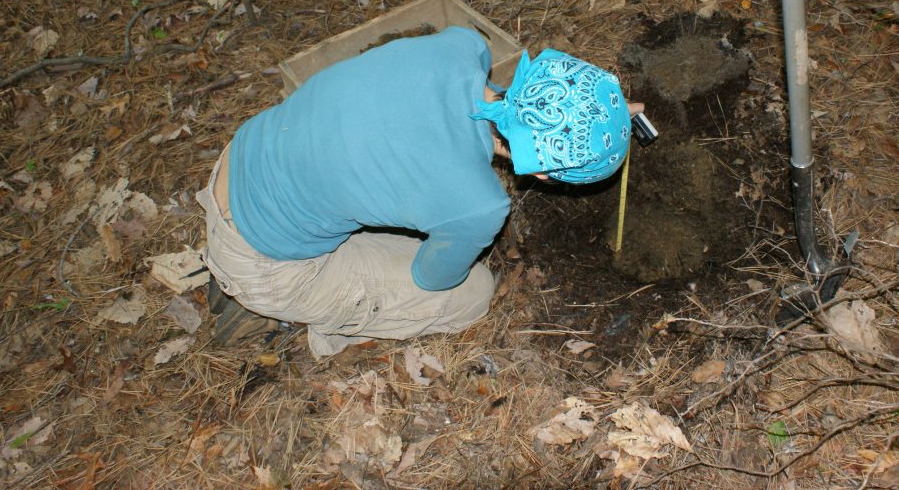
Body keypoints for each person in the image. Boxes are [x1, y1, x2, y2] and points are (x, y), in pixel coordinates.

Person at [196, 26, 642, 357]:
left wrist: (599, 111)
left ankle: (255, 275)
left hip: (244, 157)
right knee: (472, 293)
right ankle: (279, 307)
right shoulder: (478, 205)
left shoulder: (461, 46)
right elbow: (433, 278)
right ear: (545, 175)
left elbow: (510, 107)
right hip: (264, 258)